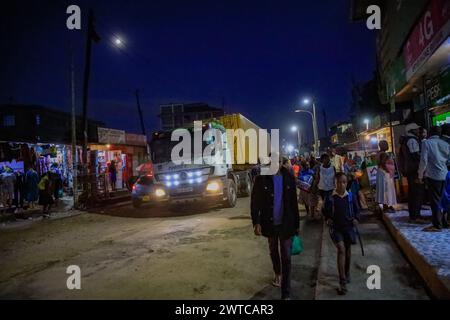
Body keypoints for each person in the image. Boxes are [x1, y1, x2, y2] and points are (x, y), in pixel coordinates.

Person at [251, 156, 300, 300]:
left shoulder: (289, 178)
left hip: (286, 224)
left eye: (278, 162)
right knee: (273, 250)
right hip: (269, 224)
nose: (275, 165)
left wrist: (296, 225)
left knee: (287, 257)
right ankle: (277, 273)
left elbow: (293, 204)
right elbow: (255, 203)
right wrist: (256, 222)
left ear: (281, 163)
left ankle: (286, 293)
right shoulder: (261, 180)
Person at [324, 172, 360, 295]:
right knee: (341, 249)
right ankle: (342, 281)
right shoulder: (330, 197)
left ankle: (347, 271)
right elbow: (326, 211)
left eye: (344, 182)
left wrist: (356, 218)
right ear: (335, 183)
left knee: (348, 251)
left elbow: (357, 210)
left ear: (346, 183)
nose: (341, 185)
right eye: (339, 182)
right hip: (336, 228)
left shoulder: (350, 196)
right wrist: (327, 218)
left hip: (348, 228)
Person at [418, 126, 450, 232]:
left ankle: (437, 225)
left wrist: (420, 175)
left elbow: (423, 161)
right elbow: (448, 161)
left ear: (430, 133)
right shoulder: (445, 144)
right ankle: (446, 222)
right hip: (445, 175)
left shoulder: (426, 143)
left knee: (435, 201)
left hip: (433, 176)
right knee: (445, 199)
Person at [398, 123, 424, 223]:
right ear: (411, 131)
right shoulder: (412, 140)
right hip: (414, 171)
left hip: (410, 170)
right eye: (416, 130)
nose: (418, 131)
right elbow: (415, 155)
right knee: (417, 193)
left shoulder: (406, 141)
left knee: (413, 193)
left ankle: (414, 215)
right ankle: (415, 216)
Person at [315, 153, 336, 218]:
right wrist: (315, 186)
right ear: (322, 160)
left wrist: (336, 186)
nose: (328, 160)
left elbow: (335, 178)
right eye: (325, 158)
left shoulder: (333, 168)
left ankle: (329, 217)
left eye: (328, 158)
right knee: (323, 204)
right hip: (322, 188)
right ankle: (326, 216)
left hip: (330, 188)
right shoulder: (319, 168)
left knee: (329, 202)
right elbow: (317, 178)